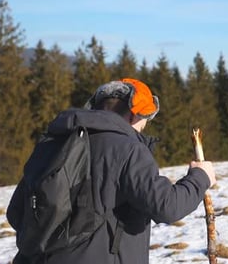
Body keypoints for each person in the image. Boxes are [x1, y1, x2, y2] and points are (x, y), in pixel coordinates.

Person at [20, 78, 216, 264]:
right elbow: (167, 205)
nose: (145, 125)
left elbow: (17, 212)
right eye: (146, 117)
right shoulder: (127, 148)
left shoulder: (54, 142)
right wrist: (200, 177)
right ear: (134, 113)